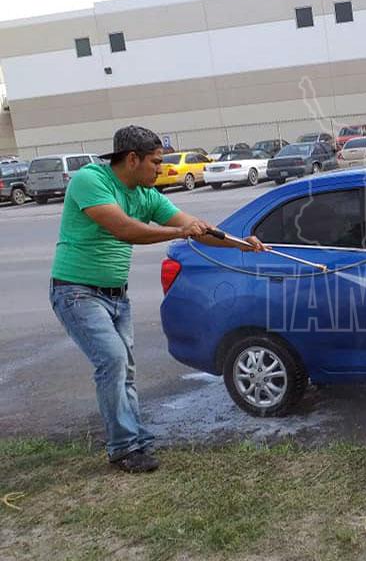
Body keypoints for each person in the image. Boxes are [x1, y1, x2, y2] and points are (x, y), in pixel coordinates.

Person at [49, 125, 267, 473]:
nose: (161, 169)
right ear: (132, 159)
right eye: (156, 162)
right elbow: (125, 229)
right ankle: (123, 449)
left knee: (125, 369)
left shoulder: (146, 195)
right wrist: (180, 231)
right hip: (76, 291)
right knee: (113, 362)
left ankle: (135, 442)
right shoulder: (90, 180)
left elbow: (197, 228)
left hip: (116, 296)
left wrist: (245, 243)